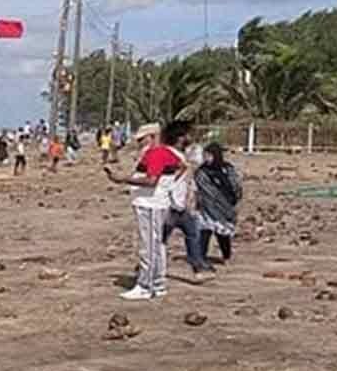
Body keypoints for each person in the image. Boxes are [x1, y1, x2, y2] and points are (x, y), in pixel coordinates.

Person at [104, 122, 185, 300]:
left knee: (148, 245)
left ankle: (146, 285)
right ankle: (157, 283)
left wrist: (123, 179)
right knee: (157, 245)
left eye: (143, 139)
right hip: (155, 202)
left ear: (153, 137)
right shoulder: (167, 152)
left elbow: (151, 180)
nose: (140, 142)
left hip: (150, 204)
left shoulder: (156, 153)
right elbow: (182, 167)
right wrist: (170, 185)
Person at [161, 122, 216, 281]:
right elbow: (168, 179)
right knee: (161, 239)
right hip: (169, 205)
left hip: (181, 206)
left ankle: (198, 269)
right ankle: (149, 268)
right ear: (179, 137)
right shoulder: (170, 155)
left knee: (192, 235)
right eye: (187, 135)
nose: (190, 138)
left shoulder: (182, 154)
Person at [195, 142, 243, 264]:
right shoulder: (202, 171)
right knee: (204, 232)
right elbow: (203, 189)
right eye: (204, 155)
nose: (206, 158)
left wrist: (231, 201)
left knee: (223, 234)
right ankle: (201, 257)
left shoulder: (228, 169)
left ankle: (226, 256)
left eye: (208, 155)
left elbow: (236, 186)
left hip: (225, 208)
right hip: (207, 207)